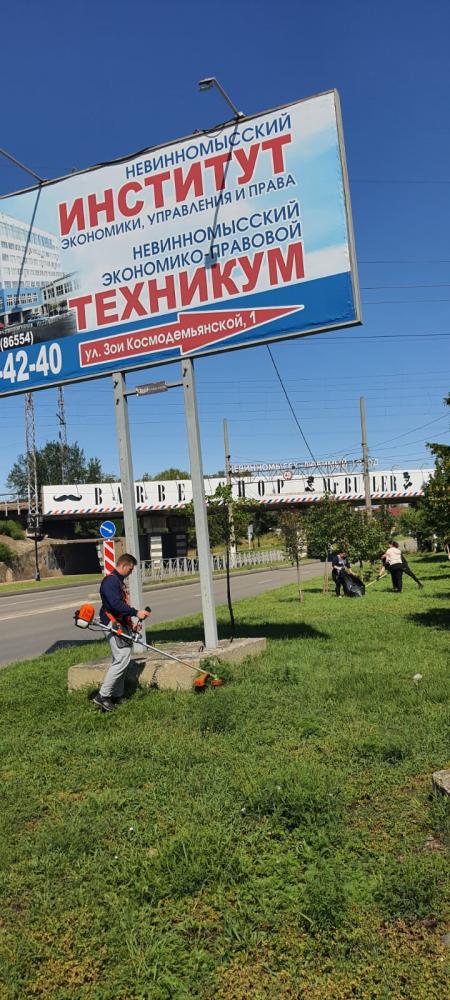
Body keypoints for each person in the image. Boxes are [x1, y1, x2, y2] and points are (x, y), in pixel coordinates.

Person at [93, 553, 150, 712]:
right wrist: (135, 612)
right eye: (130, 569)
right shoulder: (111, 581)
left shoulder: (117, 581)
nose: (131, 573)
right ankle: (103, 696)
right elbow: (115, 604)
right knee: (122, 658)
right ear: (124, 565)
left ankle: (116, 696)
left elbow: (120, 606)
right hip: (111, 623)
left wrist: (131, 624)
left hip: (119, 623)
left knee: (122, 658)